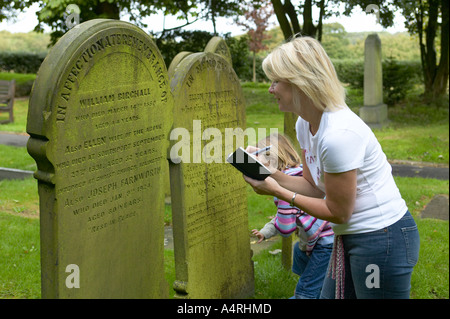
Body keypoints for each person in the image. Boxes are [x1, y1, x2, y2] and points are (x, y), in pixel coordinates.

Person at [244, 36, 420, 299]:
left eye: (276, 81)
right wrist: (269, 173)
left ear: (300, 82)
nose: (270, 89)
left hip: (381, 239)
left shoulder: (338, 135)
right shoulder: (305, 124)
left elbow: (338, 212)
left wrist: (279, 193)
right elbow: (314, 188)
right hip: (353, 237)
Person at [251, 133, 334, 299]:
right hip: (329, 234)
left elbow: (286, 229)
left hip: (325, 243)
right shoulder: (300, 174)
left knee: (304, 293)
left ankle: (310, 291)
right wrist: (265, 233)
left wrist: (279, 197)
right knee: (299, 252)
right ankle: (316, 286)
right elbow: (283, 217)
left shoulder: (283, 186)